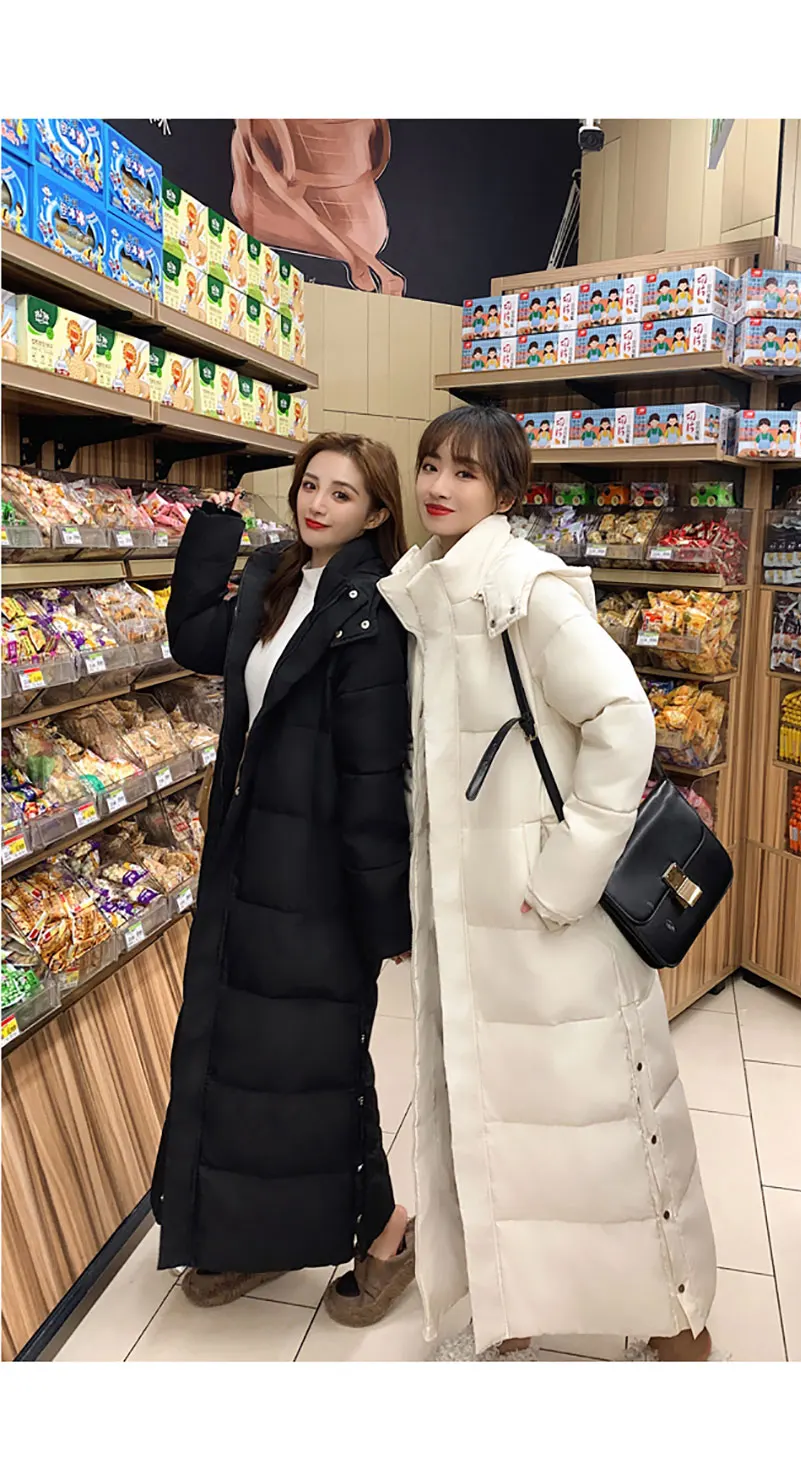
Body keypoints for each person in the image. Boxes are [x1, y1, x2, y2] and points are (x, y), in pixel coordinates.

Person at [378, 405, 719, 1363]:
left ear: (506, 491)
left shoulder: (525, 590)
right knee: (495, 1117)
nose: (439, 485)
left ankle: (678, 1320)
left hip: (546, 911)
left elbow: (622, 717)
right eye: (430, 464)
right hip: (472, 910)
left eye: (466, 472)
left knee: (602, 1113)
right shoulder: (425, 590)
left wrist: (566, 871)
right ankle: (510, 1304)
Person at [152, 432, 415, 1324]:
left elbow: (371, 778)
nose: (318, 504)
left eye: (342, 494)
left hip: (317, 884)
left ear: (375, 513)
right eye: (310, 485)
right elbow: (195, 637)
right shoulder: (275, 577)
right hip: (245, 861)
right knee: (242, 1058)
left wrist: (382, 916)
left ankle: (385, 1230)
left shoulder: (373, 610)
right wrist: (211, 531)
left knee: (316, 1061)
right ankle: (252, 1238)